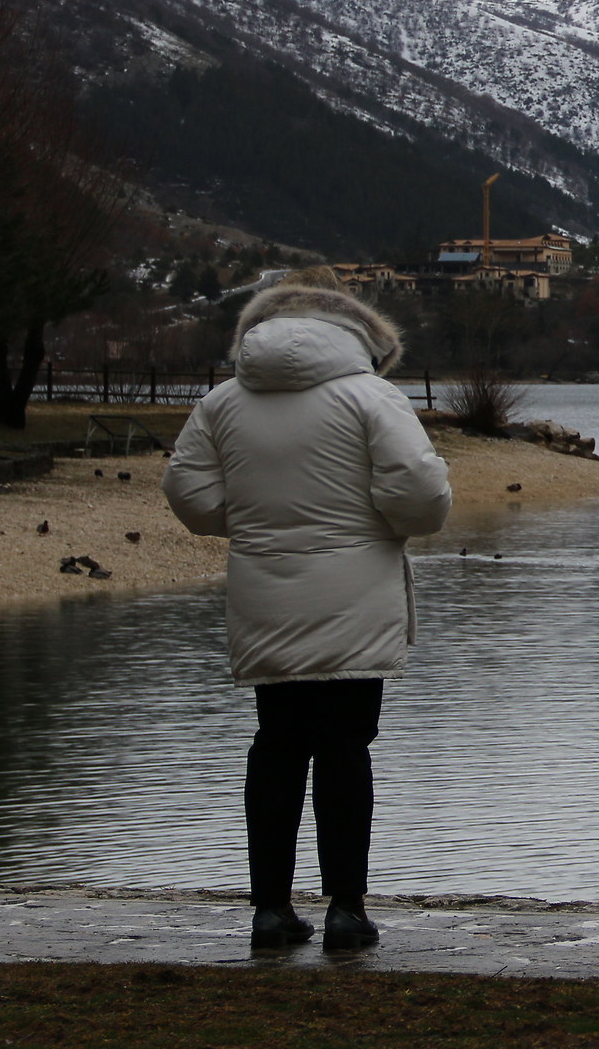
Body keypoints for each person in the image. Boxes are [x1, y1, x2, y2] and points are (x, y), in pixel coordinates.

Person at [164, 276, 451, 950]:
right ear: (356, 336)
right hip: (354, 596)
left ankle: (270, 910)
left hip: (265, 591)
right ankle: (346, 910)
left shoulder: (222, 403)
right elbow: (420, 494)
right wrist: (365, 518)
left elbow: (190, 495)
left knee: (277, 746)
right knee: (346, 749)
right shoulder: (371, 397)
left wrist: (260, 520)